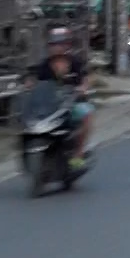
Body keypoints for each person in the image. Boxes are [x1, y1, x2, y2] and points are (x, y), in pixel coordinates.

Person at [30, 25, 92, 168]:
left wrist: (82, 88)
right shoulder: (44, 66)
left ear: (67, 45)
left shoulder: (75, 62)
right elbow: (35, 83)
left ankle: (78, 153)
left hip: (71, 105)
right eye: (53, 44)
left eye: (60, 43)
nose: (57, 47)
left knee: (87, 114)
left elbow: (85, 78)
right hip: (50, 107)